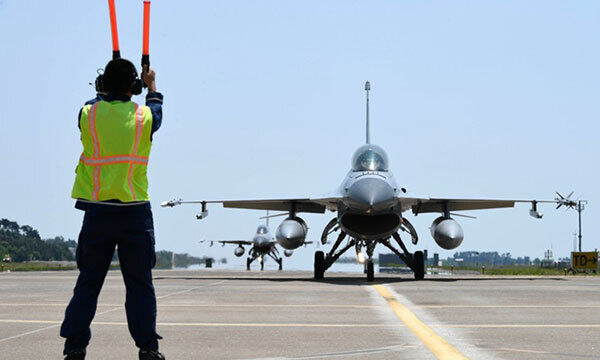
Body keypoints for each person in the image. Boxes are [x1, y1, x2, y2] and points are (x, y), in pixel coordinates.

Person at [60, 58, 165, 360]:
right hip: (134, 212)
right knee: (140, 285)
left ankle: (75, 347)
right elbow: (156, 111)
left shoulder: (88, 114)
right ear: (134, 87)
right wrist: (151, 86)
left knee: (89, 282)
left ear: (102, 85)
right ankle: (148, 347)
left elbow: (92, 105)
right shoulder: (144, 116)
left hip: (98, 212)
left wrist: (103, 90)